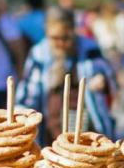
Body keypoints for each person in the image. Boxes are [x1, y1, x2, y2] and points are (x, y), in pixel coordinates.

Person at [16, 8, 117, 147]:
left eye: (65, 38)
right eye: (55, 38)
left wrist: (103, 80)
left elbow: (108, 75)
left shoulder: (89, 49)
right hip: (51, 130)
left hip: (86, 126)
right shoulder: (38, 54)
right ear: (46, 32)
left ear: (73, 31)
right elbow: (27, 95)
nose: (61, 43)